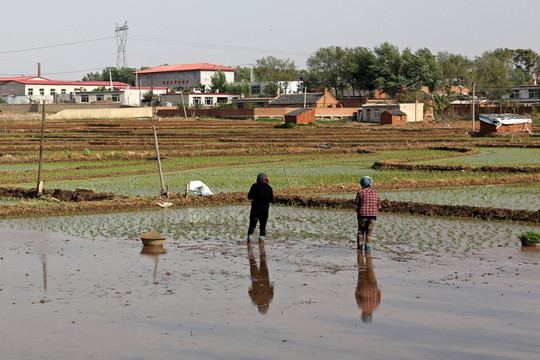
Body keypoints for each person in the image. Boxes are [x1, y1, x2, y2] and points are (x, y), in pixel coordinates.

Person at [354, 175, 381, 251]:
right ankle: (368, 250)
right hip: (373, 216)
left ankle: (359, 249)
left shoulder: (360, 192)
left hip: (362, 215)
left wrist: (358, 212)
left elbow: (356, 206)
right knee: (369, 233)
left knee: (360, 232)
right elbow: (379, 206)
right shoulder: (375, 193)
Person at [247, 172, 274, 244]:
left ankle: (249, 243)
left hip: (255, 210)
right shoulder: (269, 188)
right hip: (265, 211)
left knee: (252, 226)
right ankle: (261, 245)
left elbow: (249, 197)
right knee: (263, 228)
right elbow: (271, 200)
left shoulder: (255, 186)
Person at [355, 250, 381, 323]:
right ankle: (362, 251)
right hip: (363, 286)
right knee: (361, 267)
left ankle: (367, 252)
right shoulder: (361, 305)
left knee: (370, 268)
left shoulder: (376, 305)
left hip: (373, 285)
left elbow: (379, 294)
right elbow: (357, 294)